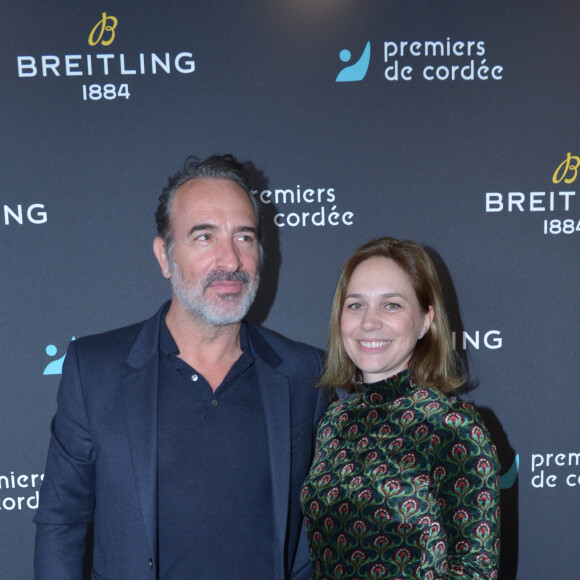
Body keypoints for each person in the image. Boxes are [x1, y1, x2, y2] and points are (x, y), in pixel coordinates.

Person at [34, 154, 326, 580]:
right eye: (204, 237)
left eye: (244, 237)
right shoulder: (95, 370)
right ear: (164, 256)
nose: (230, 261)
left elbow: (310, 536)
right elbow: (61, 523)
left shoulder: (304, 373)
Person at [300, 237, 500, 579]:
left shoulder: (453, 426)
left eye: (391, 305)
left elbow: (475, 571)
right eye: (356, 305)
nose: (370, 322)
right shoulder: (333, 421)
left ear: (425, 320)